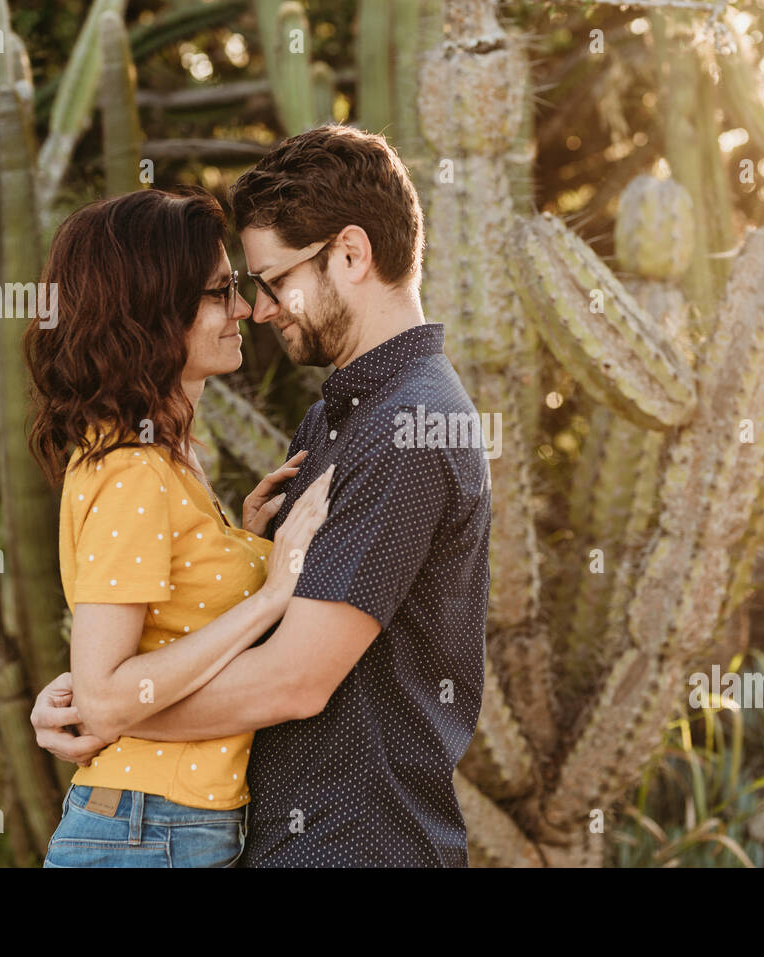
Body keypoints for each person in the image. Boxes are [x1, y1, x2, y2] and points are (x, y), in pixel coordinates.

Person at [32, 124, 492, 867]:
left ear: (350, 254)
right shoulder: (334, 420)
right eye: (242, 289)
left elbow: (295, 678)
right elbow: (255, 629)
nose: (262, 307)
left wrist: (110, 707)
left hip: (359, 846)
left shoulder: (411, 426)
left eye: (273, 280)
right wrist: (103, 686)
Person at [24, 186, 332, 867]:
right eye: (220, 292)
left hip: (164, 827)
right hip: (145, 831)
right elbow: (106, 690)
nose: (247, 309)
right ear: (153, 315)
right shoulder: (130, 468)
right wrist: (272, 592)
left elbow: (166, 624)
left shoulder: (167, 461)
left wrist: (245, 542)